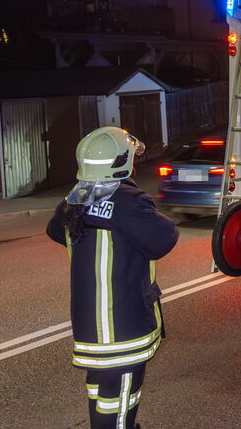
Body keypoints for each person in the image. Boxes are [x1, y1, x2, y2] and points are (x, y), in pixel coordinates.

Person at [47, 127, 179, 429]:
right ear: (123, 164)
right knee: (120, 407)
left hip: (91, 333)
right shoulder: (129, 201)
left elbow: (56, 230)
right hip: (123, 333)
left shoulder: (74, 200)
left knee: (102, 398)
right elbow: (164, 238)